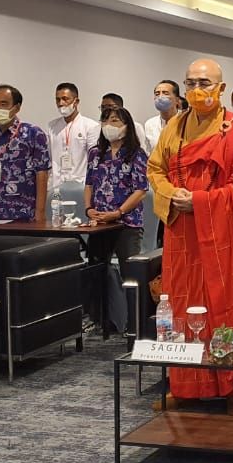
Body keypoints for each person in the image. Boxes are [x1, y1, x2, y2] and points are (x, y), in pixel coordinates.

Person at [146, 58, 233, 415]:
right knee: (184, 307)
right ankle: (186, 387)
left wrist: (201, 201)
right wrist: (172, 194)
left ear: (221, 88)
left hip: (226, 235)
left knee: (227, 307)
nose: (196, 90)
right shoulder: (175, 126)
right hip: (183, 234)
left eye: (204, 83)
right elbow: (155, 169)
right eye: (190, 83)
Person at [85, 106, 149, 334]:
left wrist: (119, 212)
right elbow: (89, 184)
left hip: (126, 222)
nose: (109, 126)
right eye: (105, 121)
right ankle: (100, 321)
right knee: (95, 271)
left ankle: (134, 323)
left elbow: (141, 190)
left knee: (129, 273)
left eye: (114, 121)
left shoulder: (136, 154)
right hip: (100, 223)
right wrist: (89, 209)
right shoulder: (96, 153)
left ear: (126, 126)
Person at [0, 84, 50, 223]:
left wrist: (40, 213)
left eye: (3, 104)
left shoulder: (33, 133)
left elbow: (42, 174)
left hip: (25, 213)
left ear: (17, 107)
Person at [47, 82, 101, 187]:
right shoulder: (52, 126)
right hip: (56, 186)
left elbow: (94, 160)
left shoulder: (91, 126)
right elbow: (48, 158)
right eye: (58, 99)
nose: (61, 103)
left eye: (65, 99)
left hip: (81, 185)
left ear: (76, 101)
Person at [142, 80, 181, 156]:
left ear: (177, 100)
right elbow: (149, 152)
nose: (160, 97)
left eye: (165, 93)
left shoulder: (186, 121)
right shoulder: (150, 124)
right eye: (157, 94)